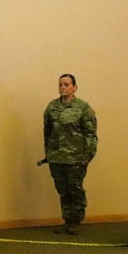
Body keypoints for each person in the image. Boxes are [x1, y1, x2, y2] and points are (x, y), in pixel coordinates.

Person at [44, 74, 98, 235]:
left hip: (76, 157)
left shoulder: (83, 108)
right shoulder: (52, 107)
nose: (62, 87)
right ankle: (67, 220)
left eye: (66, 84)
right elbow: (47, 132)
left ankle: (76, 221)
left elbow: (91, 134)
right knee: (62, 189)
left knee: (75, 188)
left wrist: (89, 154)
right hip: (56, 157)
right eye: (60, 84)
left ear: (74, 87)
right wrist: (48, 153)